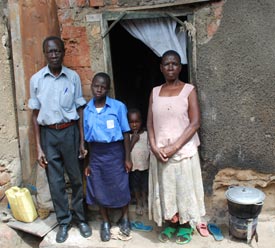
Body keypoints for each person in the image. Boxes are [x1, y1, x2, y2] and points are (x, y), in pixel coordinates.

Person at [28, 36, 91, 243]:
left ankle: (82, 219)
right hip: (48, 134)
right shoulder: (36, 80)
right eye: (50, 52)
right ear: (45, 54)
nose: (54, 55)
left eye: (57, 51)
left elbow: (80, 109)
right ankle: (64, 222)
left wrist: (81, 141)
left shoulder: (72, 77)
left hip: (69, 132)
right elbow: (35, 116)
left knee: (75, 178)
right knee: (55, 182)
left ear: (63, 52)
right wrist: (39, 147)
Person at [147, 50, 206, 245]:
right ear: (161, 68)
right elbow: (149, 124)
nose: (170, 67)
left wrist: (174, 147)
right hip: (160, 152)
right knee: (166, 190)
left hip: (183, 152)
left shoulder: (188, 90)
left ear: (180, 67)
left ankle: (185, 226)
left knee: (184, 190)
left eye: (174, 64)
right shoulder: (155, 91)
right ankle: (169, 223)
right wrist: (155, 147)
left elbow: (195, 122)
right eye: (166, 64)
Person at [83, 72, 132, 242]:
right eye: (96, 86)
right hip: (96, 154)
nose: (99, 89)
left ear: (108, 89)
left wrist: (127, 158)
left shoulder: (118, 107)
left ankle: (125, 218)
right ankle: (105, 221)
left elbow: (126, 133)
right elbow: (88, 138)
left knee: (121, 184)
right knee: (99, 186)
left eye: (103, 87)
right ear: (92, 86)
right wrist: (88, 162)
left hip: (115, 152)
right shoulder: (87, 110)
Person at [127, 108, 150, 216]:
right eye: (131, 122)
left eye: (137, 122)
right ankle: (138, 203)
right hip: (133, 167)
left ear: (142, 121)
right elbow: (126, 152)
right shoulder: (127, 136)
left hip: (145, 166)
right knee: (135, 186)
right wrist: (133, 140)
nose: (134, 125)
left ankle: (145, 201)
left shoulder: (146, 134)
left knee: (144, 185)